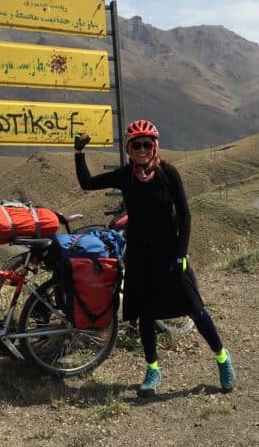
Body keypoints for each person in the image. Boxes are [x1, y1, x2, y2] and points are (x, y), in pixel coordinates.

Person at [74, 119, 235, 397]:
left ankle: (223, 359)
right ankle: (152, 370)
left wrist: (181, 253)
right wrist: (79, 153)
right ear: (128, 148)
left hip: (169, 251)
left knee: (195, 308)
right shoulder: (126, 175)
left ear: (155, 146)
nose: (142, 149)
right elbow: (88, 183)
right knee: (145, 315)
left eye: (147, 144)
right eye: (136, 144)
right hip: (139, 253)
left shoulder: (168, 173)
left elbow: (184, 215)